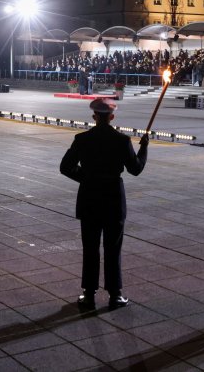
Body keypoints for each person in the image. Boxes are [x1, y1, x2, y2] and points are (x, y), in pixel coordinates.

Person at [60, 98, 149, 310]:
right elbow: (135, 169)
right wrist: (144, 148)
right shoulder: (122, 141)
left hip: (90, 197)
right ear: (112, 117)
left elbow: (65, 167)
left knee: (90, 247)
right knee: (113, 247)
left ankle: (89, 294)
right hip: (113, 199)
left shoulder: (81, 139)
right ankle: (115, 295)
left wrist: (87, 177)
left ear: (93, 117)